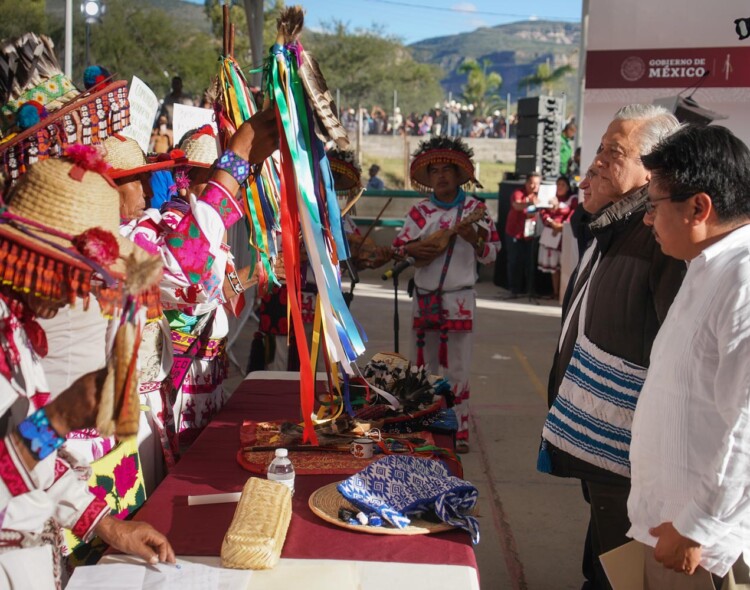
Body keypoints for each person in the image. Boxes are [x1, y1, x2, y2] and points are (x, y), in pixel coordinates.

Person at [0, 150, 174, 588]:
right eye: (71, 279)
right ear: (30, 260)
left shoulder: (16, 333)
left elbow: (32, 463)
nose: (72, 299)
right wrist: (59, 418)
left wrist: (108, 524)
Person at [538, 104, 686, 590]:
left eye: (614, 152)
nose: (596, 161)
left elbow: (681, 361)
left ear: (652, 169)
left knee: (619, 574)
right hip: (596, 446)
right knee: (603, 557)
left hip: (632, 458)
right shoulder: (608, 230)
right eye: (599, 148)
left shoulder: (661, 240)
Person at [628, 125, 750, 589]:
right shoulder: (706, 266)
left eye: (653, 205)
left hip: (706, 546)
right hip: (674, 529)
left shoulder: (743, 279)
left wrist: (698, 525)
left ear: (699, 207)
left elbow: (746, 426)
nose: (646, 220)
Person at [392, 137, 500, 453]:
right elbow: (399, 249)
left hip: (460, 298)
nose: (440, 176)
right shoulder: (420, 212)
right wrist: (414, 249)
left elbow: (492, 253)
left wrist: (475, 239)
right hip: (425, 297)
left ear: (457, 174)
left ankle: (458, 429)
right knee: (421, 365)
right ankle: (424, 424)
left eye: (446, 170)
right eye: (434, 171)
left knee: (457, 367)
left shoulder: (476, 210)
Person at [538, 176, 577, 300]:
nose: (560, 187)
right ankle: (555, 292)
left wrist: (561, 226)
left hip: (566, 236)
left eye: (563, 185)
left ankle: (565, 294)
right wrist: (551, 223)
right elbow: (543, 213)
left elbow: (573, 213)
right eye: (558, 184)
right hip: (551, 237)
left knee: (565, 266)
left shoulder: (573, 199)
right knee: (554, 267)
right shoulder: (550, 198)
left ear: (568, 187)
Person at [504, 172, 540, 299]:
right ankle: (513, 289)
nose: (534, 186)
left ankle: (529, 289)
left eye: (537, 183)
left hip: (529, 234)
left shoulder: (540, 197)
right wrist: (533, 204)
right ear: (526, 183)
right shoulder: (518, 193)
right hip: (515, 232)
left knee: (529, 263)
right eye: (531, 183)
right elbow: (517, 205)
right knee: (514, 262)